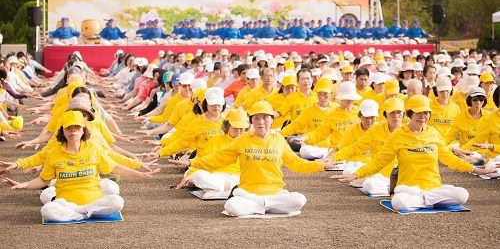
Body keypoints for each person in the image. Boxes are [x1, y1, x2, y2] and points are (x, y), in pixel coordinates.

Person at [170, 101, 335, 216]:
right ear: (251, 121)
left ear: (271, 120)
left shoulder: (278, 140)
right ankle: (268, 207)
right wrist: (191, 162)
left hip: (275, 192)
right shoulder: (243, 140)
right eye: (256, 118)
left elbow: (297, 164)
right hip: (249, 192)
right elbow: (219, 158)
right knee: (231, 205)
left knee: (300, 199)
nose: (261, 122)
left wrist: (320, 165)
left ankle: (261, 206)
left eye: (265, 117)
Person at [331, 95, 494, 211]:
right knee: (399, 202)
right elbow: (379, 161)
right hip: (408, 187)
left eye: (426, 113)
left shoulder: (433, 133)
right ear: (409, 114)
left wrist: (474, 169)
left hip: (431, 187)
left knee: (462, 195)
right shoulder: (398, 135)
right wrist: (356, 174)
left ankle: (424, 200)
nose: (423, 117)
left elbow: (449, 159)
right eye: (419, 113)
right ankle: (430, 201)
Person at [0, 111, 157, 222]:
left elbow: (115, 166)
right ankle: (83, 214)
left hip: (93, 200)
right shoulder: (55, 152)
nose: (73, 130)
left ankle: (79, 212)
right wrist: (24, 184)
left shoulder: (93, 147)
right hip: (66, 202)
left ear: (83, 130)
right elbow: (43, 179)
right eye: (69, 127)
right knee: (47, 210)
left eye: (77, 127)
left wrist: (140, 173)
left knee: (117, 201)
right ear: (63, 131)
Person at [174, 109, 249, 197]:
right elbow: (203, 160)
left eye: (241, 128)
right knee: (198, 176)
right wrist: (191, 175)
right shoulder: (215, 140)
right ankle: (231, 189)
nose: (239, 131)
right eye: (235, 127)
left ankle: (221, 190)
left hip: (240, 177)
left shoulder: (250, 141)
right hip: (218, 176)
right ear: (228, 126)